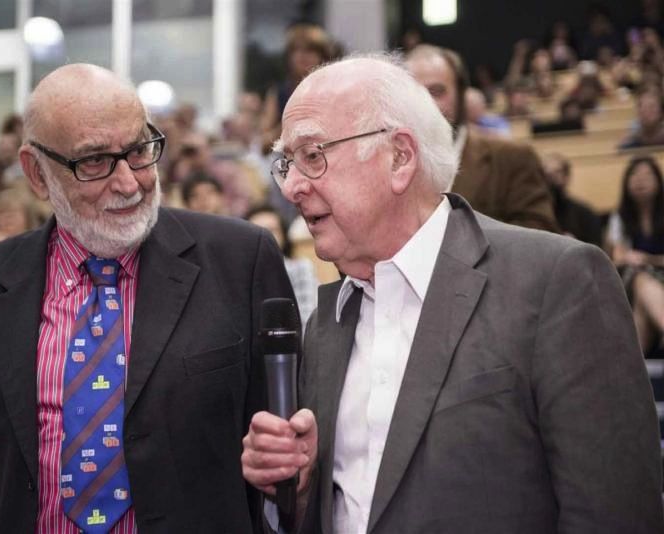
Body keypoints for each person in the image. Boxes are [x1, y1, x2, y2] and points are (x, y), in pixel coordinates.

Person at [241, 53, 664, 533]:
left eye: (313, 156)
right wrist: (296, 490)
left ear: (399, 157)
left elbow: (616, 515)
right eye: (286, 164)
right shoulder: (325, 324)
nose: (292, 186)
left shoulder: (556, 284)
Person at [0, 63, 295, 534]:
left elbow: (281, 458)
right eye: (95, 162)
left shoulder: (240, 260)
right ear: (37, 174)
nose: (130, 183)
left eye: (139, 150)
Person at [405, 45, 558, 232]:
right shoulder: (387, 164)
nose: (425, 103)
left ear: (461, 95)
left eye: (437, 91)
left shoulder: (512, 157)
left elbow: (540, 240)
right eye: (414, 93)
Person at [606, 156, 664, 355]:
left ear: (658, 180)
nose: (640, 180)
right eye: (634, 175)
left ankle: (633, 368)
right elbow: (618, 258)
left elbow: (641, 258)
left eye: (647, 175)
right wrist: (631, 259)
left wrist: (648, 259)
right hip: (630, 281)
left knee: (642, 304)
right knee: (640, 280)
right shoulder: (620, 217)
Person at [541, 152, 604, 247]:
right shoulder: (536, 213)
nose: (551, 177)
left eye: (557, 172)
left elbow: (596, 250)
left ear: (567, 177)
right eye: (546, 173)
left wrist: (576, 244)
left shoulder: (585, 213)